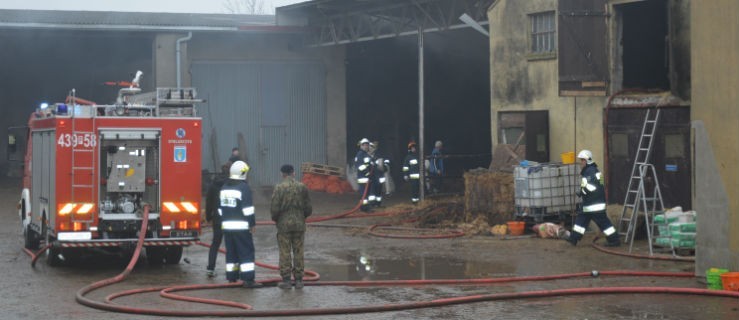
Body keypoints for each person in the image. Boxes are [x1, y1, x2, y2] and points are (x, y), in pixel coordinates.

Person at [218, 160, 263, 288]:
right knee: (246, 252)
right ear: (243, 173)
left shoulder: (224, 187)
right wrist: (252, 224)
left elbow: (220, 209)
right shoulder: (243, 187)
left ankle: (232, 278)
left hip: (227, 227)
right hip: (241, 228)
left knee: (231, 252)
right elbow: (247, 209)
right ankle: (248, 280)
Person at [563, 150, 620, 247]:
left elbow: (592, 187)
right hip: (590, 203)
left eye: (582, 160)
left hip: (593, 204)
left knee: (604, 224)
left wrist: (581, 192)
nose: (581, 163)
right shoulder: (594, 170)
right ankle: (573, 239)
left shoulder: (590, 172)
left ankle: (614, 240)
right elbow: (599, 185)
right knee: (580, 221)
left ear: (586, 160)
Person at [270, 164, 313, 289]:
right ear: (293, 173)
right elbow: (308, 208)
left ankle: (287, 280)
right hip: (299, 224)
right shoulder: (302, 187)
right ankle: (299, 280)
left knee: (285, 252)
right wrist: (302, 217)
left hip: (283, 226)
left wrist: (276, 219)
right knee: (298, 251)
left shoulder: (279, 188)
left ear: (282, 174)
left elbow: (274, 209)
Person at [205, 161, 232, 277]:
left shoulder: (213, 184)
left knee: (215, 244)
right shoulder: (233, 184)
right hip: (231, 219)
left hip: (217, 219)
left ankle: (210, 269)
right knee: (230, 245)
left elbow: (208, 203)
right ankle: (231, 271)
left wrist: (208, 217)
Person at [354, 138, 376, 212]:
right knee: (364, 194)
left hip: (367, 177)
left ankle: (365, 207)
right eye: (365, 145)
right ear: (361, 146)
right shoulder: (360, 154)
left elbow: (369, 164)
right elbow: (360, 166)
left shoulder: (366, 154)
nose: (367, 147)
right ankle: (364, 207)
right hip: (363, 178)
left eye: (367, 145)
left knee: (366, 194)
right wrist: (367, 173)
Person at [369, 141, 391, 207]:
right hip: (372, 177)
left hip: (379, 176)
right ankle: (372, 204)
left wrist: (385, 166)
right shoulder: (367, 155)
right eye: (370, 147)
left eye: (372, 147)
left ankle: (378, 203)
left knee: (378, 191)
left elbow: (385, 165)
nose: (371, 149)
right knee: (371, 191)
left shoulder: (379, 155)